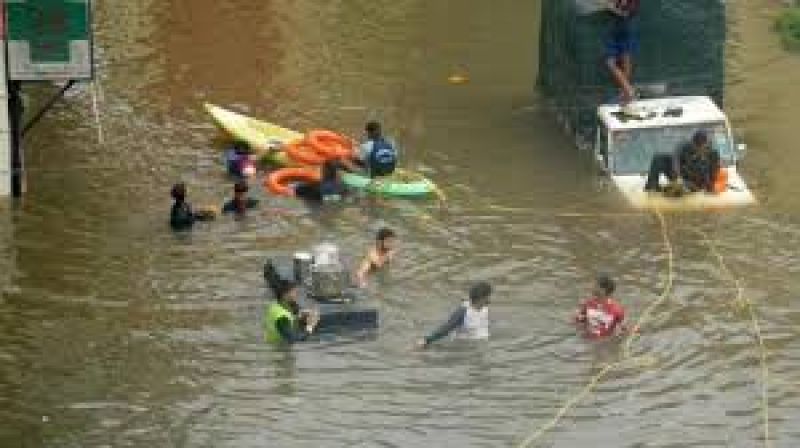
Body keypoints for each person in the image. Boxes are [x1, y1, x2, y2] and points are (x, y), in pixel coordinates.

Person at [417, 282, 492, 349]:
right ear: (481, 298)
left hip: (482, 345)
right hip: (465, 348)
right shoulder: (463, 312)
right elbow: (446, 328)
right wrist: (427, 340)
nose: (490, 298)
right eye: (488, 296)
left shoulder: (485, 309)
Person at [644, 130, 721, 194]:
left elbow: (714, 171)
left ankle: (682, 189)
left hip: (697, 181)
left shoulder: (713, 153)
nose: (699, 150)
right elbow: (675, 160)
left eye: (702, 148)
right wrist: (678, 177)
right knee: (659, 158)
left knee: (699, 178)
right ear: (693, 143)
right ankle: (652, 187)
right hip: (681, 175)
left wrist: (710, 187)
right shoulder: (684, 146)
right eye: (696, 147)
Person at [264, 278, 320, 344]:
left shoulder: (275, 305)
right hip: (280, 348)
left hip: (271, 342)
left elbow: (290, 314)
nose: (296, 295)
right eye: (294, 292)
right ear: (285, 295)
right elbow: (293, 339)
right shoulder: (282, 317)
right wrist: (310, 326)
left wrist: (299, 315)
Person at [574, 274, 631, 339]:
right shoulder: (587, 303)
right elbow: (577, 321)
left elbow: (626, 329)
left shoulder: (617, 310)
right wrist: (578, 319)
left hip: (604, 343)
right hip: (586, 340)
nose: (591, 287)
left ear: (603, 290)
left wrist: (622, 332)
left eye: (595, 286)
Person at [605, 0, 640, 104]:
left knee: (612, 63)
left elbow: (625, 12)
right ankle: (626, 94)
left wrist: (612, 7)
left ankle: (628, 91)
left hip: (622, 27)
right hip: (621, 27)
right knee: (625, 60)